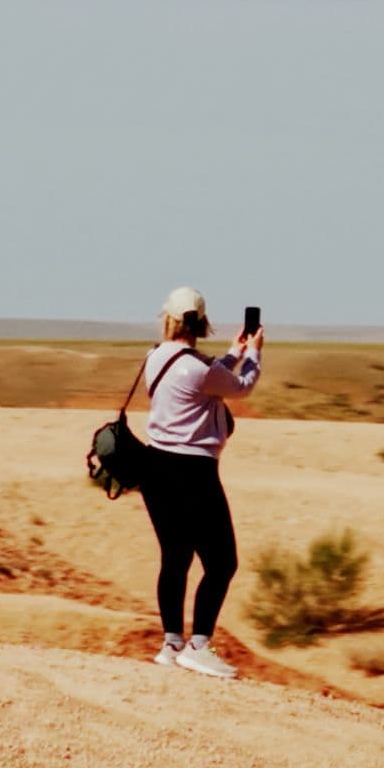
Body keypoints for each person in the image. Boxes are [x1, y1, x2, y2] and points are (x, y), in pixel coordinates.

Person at [129, 287, 262, 677]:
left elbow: (202, 376)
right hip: (193, 473)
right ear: (202, 323)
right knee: (222, 563)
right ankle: (199, 645)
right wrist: (254, 354)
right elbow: (239, 386)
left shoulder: (154, 357)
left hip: (155, 467)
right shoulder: (201, 369)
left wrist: (235, 352)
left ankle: (171, 643)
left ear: (168, 319)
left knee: (175, 558)